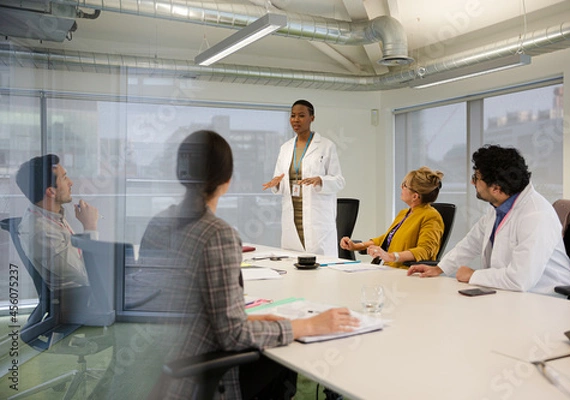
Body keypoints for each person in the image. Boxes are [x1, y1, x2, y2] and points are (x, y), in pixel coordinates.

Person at [144, 130, 359, 400]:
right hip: (197, 374)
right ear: (227, 180)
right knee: (284, 358)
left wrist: (251, 317)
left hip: (159, 361)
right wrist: (309, 326)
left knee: (276, 337)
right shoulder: (217, 234)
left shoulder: (158, 224)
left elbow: (189, 306)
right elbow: (233, 335)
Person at [407, 145, 570, 295]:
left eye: (476, 178)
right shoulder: (499, 207)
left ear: (496, 188)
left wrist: (473, 275)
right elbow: (471, 242)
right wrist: (440, 268)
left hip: (547, 300)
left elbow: (520, 279)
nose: (472, 182)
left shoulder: (536, 216)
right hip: (512, 296)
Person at [263, 100, 345, 257]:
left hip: (317, 219)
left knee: (320, 267)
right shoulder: (285, 148)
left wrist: (321, 180)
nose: (296, 120)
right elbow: (279, 178)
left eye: (301, 115)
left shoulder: (326, 146)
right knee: (293, 265)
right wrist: (277, 183)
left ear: (312, 118)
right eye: (293, 116)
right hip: (292, 216)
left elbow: (339, 181)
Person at [16, 154, 100, 290]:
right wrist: (90, 226)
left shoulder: (46, 213)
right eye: (64, 178)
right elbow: (89, 276)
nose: (71, 183)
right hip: (81, 298)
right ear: (50, 192)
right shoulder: (43, 233)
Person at [340, 166, 445, 268]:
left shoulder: (431, 216)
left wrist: (391, 256)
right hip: (387, 268)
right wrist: (355, 246)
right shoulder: (405, 213)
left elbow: (425, 251)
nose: (401, 187)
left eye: (405, 185)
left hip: (404, 272)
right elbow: (386, 238)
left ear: (415, 196)